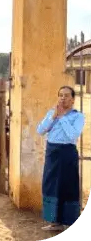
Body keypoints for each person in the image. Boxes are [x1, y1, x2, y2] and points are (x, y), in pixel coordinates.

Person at [37, 86, 85, 232]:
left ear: (72, 99)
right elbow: (40, 130)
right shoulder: (52, 113)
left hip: (67, 153)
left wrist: (63, 117)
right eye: (60, 95)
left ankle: (70, 222)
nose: (62, 98)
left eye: (66, 95)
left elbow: (72, 135)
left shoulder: (78, 116)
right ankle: (54, 222)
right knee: (50, 186)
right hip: (52, 153)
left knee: (67, 186)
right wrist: (53, 117)